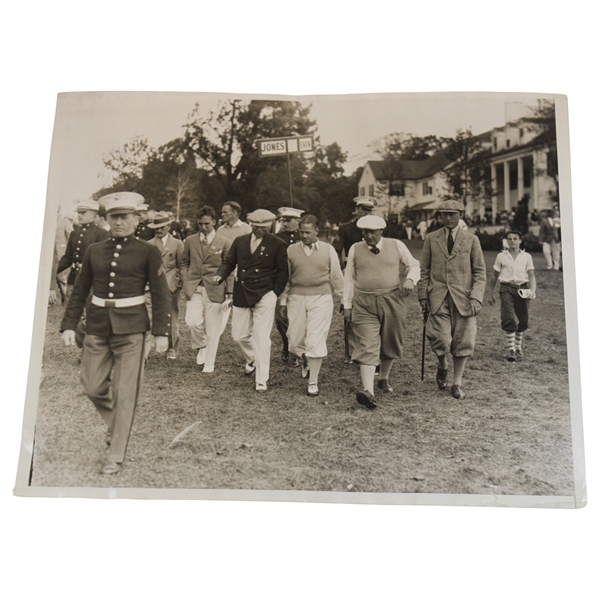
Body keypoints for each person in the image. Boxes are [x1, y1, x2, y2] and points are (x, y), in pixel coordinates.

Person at [60, 191, 171, 475]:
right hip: (97, 326)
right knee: (92, 386)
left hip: (132, 329)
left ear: (136, 218)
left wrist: (161, 332)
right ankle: (116, 426)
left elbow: (160, 294)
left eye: (124, 217)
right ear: (106, 219)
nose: (119, 222)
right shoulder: (94, 251)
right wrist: (69, 325)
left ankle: (116, 453)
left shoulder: (148, 251)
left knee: (125, 393)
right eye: (114, 217)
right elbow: (80, 291)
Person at [343, 214, 420, 409]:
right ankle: (368, 391)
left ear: (381, 231)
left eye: (371, 232)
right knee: (367, 344)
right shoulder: (355, 249)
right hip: (364, 302)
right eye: (364, 232)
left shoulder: (396, 245)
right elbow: (348, 279)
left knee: (390, 339)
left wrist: (410, 279)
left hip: (392, 299)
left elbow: (414, 265)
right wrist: (347, 305)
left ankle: (383, 377)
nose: (367, 236)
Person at [417, 200, 486, 400]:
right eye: (444, 214)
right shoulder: (431, 238)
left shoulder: (471, 240)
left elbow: (480, 272)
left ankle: (457, 382)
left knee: (462, 341)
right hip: (438, 297)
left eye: (452, 214)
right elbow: (425, 270)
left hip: (464, 299)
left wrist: (476, 297)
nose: (448, 218)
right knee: (440, 338)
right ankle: (442, 364)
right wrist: (423, 295)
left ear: (460, 215)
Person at [213, 209, 288, 392]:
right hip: (242, 292)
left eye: (263, 227)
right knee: (238, 335)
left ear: (269, 226)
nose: (259, 230)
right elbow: (229, 262)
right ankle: (253, 358)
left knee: (262, 337)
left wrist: (274, 293)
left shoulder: (278, 244)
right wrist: (220, 276)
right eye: (255, 226)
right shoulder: (240, 241)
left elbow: (283, 272)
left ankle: (262, 379)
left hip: (265, 293)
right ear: (250, 225)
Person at [279, 215, 344, 396]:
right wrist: (283, 301)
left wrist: (345, 300)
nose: (304, 235)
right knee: (294, 340)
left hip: (321, 297)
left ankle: (313, 381)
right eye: (302, 232)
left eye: (308, 232)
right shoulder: (291, 250)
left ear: (317, 231)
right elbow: (287, 278)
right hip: (297, 297)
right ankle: (305, 359)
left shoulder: (327, 250)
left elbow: (337, 277)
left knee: (315, 339)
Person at [181, 206, 232, 373]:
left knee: (213, 327)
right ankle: (201, 345)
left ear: (215, 222)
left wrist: (229, 291)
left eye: (207, 224)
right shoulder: (189, 240)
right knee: (192, 322)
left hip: (215, 288)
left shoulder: (224, 242)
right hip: (194, 286)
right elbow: (184, 263)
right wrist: (186, 280)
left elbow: (229, 267)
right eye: (200, 224)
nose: (203, 227)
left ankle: (209, 362)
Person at [334, 196, 377, 363]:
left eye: (369, 210)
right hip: (351, 274)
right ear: (356, 210)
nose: (365, 213)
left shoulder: (376, 228)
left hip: (371, 274)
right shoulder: (345, 228)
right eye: (363, 209)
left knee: (370, 311)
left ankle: (368, 349)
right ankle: (351, 353)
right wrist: (342, 269)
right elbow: (336, 249)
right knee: (349, 309)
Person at [487, 230, 537, 361]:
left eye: (515, 239)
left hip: (523, 288)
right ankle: (511, 350)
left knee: (523, 319)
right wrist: (490, 293)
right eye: (509, 239)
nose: (512, 241)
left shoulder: (526, 257)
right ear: (506, 241)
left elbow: (531, 275)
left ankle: (518, 347)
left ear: (520, 241)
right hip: (506, 288)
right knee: (508, 316)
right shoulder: (501, 256)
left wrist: (532, 290)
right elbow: (494, 275)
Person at [145, 211, 184, 360]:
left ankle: (172, 348)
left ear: (168, 226)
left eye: (162, 227)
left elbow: (181, 266)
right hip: (151, 286)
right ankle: (145, 352)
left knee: (171, 317)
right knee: (147, 317)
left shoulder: (177, 244)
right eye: (156, 227)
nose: (159, 230)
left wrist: (177, 283)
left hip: (170, 286)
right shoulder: (149, 244)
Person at [217, 201, 253, 333]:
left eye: (225, 212)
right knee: (224, 303)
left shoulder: (247, 229)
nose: (222, 214)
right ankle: (216, 333)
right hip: (226, 271)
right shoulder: (220, 230)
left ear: (235, 213)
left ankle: (245, 331)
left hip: (243, 272)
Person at [275, 207, 304, 363]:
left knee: (298, 318)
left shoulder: (304, 236)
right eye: (283, 220)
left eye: (288, 220)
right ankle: (287, 344)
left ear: (298, 221)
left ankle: (297, 349)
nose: (284, 223)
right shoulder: (276, 237)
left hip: (300, 280)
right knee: (280, 318)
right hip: (281, 281)